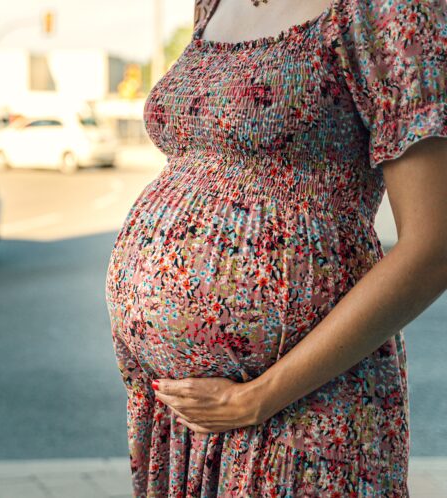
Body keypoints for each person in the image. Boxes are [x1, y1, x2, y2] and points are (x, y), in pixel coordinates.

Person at [104, 0, 447, 495]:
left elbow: (433, 248)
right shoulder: (216, 3)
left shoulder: (389, 9)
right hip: (184, 420)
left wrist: (257, 398)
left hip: (300, 403)